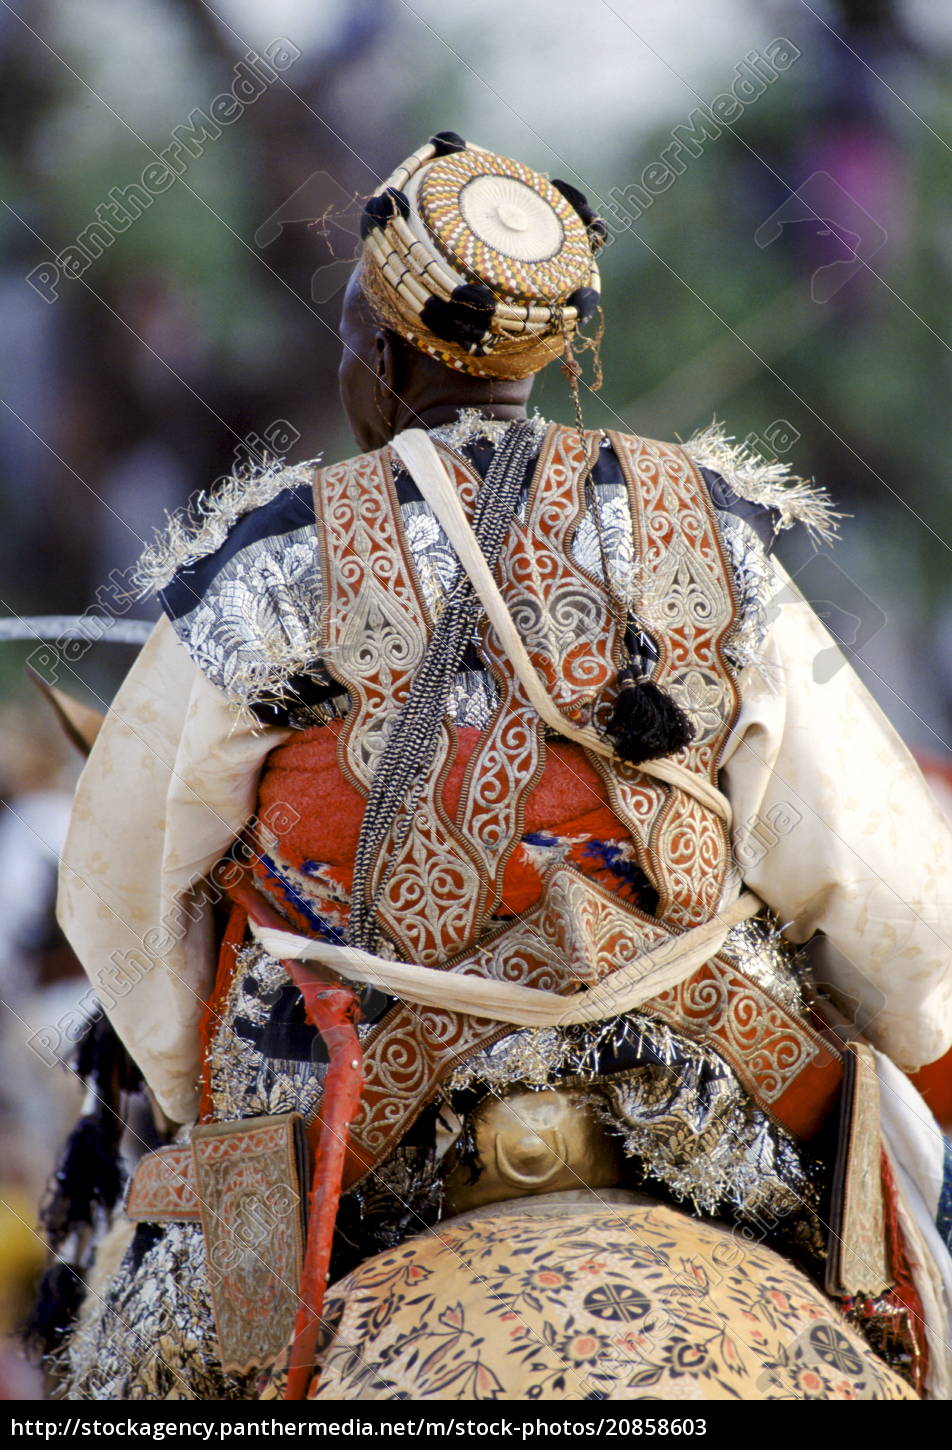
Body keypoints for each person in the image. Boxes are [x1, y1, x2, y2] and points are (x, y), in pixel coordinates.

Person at [44, 133, 952, 1401]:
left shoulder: (267, 569)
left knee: (146, 1364)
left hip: (352, 1139)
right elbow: (888, 893)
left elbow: (118, 895)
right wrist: (903, 1036)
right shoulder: (711, 536)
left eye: (352, 333)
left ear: (387, 355)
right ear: (546, 349)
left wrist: (206, 1097)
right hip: (714, 1100)